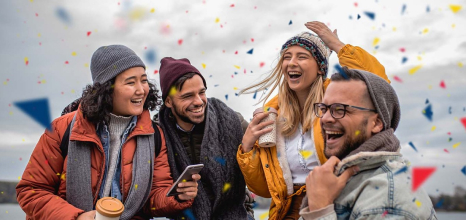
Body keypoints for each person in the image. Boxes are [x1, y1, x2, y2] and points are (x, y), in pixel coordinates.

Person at [16, 45, 199, 220]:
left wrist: (176, 196)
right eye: (130, 82)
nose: (141, 90)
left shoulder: (155, 135)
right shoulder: (60, 130)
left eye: (143, 80)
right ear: (106, 89)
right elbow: (31, 191)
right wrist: (77, 217)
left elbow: (151, 200)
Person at [237, 21, 390, 220]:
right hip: (286, 214)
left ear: (320, 68)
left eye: (302, 56)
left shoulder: (339, 102)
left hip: (336, 207)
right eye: (287, 57)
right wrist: (247, 148)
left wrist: (337, 45)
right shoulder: (272, 113)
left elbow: (378, 87)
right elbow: (265, 190)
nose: (291, 63)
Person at [299, 67, 437, 219]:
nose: (325, 118)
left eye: (340, 109)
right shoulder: (344, 179)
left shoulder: (389, 200)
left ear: (376, 123)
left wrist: (320, 210)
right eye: (324, 108)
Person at [156, 57, 251, 219]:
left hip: (236, 214)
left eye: (202, 92)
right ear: (169, 102)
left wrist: (250, 147)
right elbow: (156, 193)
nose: (199, 101)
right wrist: (177, 194)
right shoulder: (156, 134)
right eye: (188, 96)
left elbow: (260, 165)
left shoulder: (233, 121)